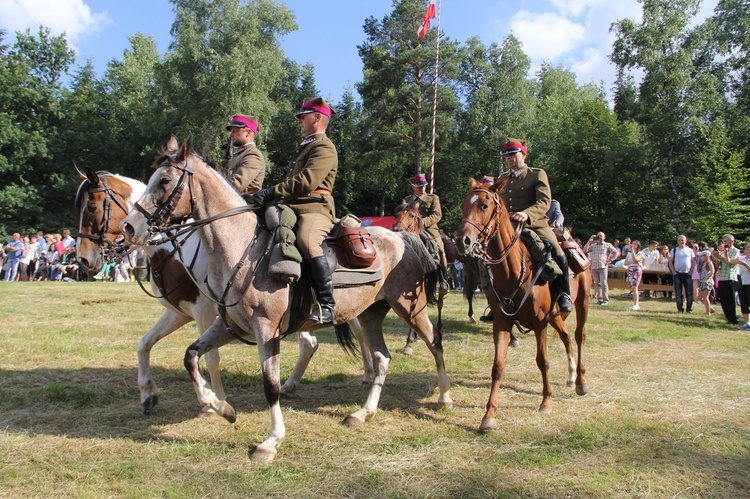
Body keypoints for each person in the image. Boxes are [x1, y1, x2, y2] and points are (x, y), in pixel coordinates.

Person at [252, 97, 338, 325]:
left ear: (317, 117)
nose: (299, 120)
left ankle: (327, 305)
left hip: (315, 208)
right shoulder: (307, 145)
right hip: (291, 206)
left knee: (306, 240)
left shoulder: (324, 147)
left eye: (303, 116)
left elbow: (306, 181)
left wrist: (271, 192)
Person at [497, 138, 573, 312]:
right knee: (488, 256)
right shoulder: (502, 178)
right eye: (506, 156)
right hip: (508, 227)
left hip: (535, 225)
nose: (509, 159)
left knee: (555, 249)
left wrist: (526, 214)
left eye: (513, 155)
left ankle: (564, 295)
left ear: (524, 154)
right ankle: (494, 299)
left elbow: (545, 201)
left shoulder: (537, 174)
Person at [401, 173, 450, 292]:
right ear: (412, 186)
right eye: (419, 185)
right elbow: (403, 215)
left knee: (440, 249)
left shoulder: (433, 198)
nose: (422, 187)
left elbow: (437, 215)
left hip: (430, 229)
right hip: (411, 230)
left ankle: (444, 280)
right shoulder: (407, 200)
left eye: (424, 185)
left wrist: (421, 222)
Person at [224, 114, 266, 195]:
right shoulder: (239, 154)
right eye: (231, 131)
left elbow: (237, 184)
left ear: (248, 133)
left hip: (244, 203)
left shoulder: (253, 155)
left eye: (235, 131)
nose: (231, 134)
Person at [583, 231, 620, 306]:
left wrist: (610, 260)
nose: (599, 237)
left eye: (601, 236)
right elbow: (584, 251)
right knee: (597, 283)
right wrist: (589, 241)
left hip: (603, 266)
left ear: (604, 237)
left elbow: (616, 252)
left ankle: (605, 299)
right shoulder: (593, 245)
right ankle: (599, 299)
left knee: (603, 283)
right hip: (594, 266)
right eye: (598, 236)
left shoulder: (607, 245)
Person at [713, 234, 740, 325]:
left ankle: (733, 318)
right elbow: (718, 265)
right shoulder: (722, 251)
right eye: (723, 241)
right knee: (723, 299)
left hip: (730, 277)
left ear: (732, 242)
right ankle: (728, 317)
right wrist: (715, 258)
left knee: (730, 300)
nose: (724, 243)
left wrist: (722, 255)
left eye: (726, 242)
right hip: (721, 277)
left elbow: (730, 263)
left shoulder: (735, 251)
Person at [668, 235, 696, 313]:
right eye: (679, 240)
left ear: (685, 241)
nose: (681, 242)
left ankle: (689, 309)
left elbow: (693, 262)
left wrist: (691, 272)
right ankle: (680, 308)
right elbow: (670, 262)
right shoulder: (674, 250)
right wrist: (673, 272)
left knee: (689, 293)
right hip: (678, 274)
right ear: (677, 241)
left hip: (687, 274)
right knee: (678, 293)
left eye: (682, 240)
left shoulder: (690, 250)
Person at [731, 244, 750, 330]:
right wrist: (724, 253)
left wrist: (745, 264)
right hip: (742, 283)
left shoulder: (744, 261)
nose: (745, 248)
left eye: (748, 247)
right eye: (745, 246)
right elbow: (729, 261)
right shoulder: (742, 258)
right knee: (744, 303)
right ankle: (747, 323)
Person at [624, 240, 645, 310]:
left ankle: (636, 304)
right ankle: (635, 304)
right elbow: (625, 262)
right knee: (632, 287)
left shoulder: (641, 253)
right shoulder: (629, 253)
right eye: (633, 244)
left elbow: (636, 260)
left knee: (635, 287)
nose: (633, 245)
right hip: (630, 270)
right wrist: (632, 261)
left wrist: (632, 251)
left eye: (635, 244)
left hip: (637, 270)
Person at [696, 250, 716, 315]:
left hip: (708, 282)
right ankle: (710, 308)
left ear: (705, 256)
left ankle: (708, 312)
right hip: (702, 281)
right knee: (699, 297)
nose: (700, 258)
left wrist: (707, 278)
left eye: (701, 256)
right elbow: (699, 271)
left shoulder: (709, 262)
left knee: (705, 297)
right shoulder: (703, 263)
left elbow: (712, 271)